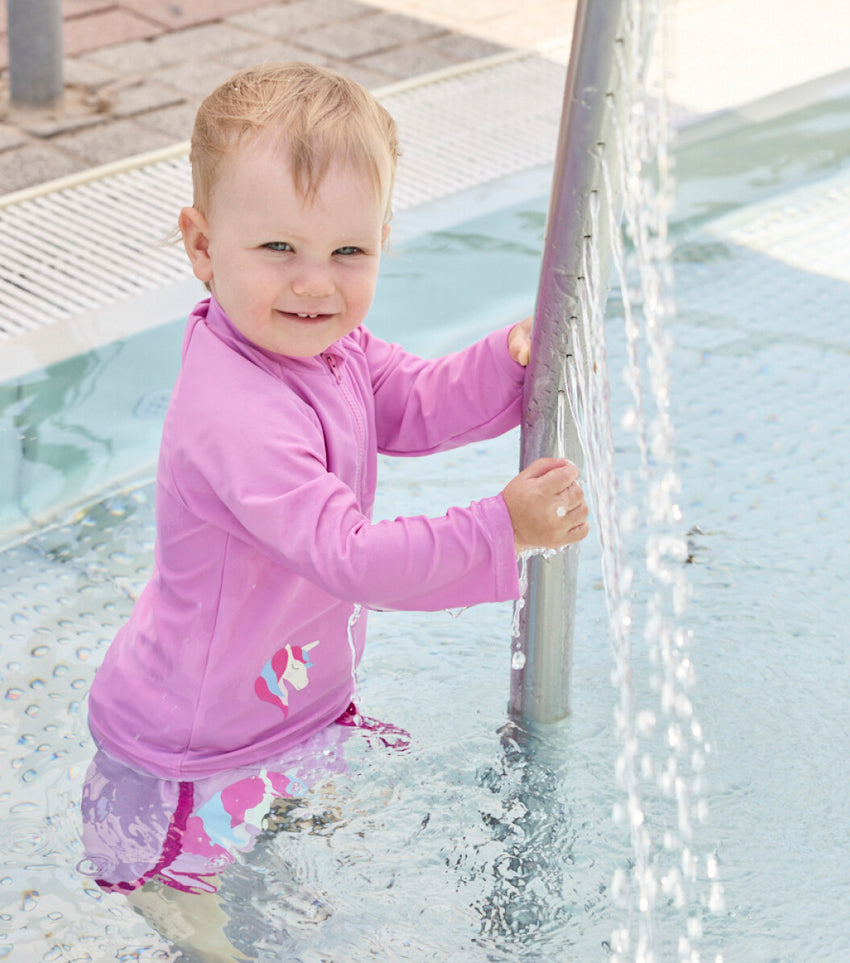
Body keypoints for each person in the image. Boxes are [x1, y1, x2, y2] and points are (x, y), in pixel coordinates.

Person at [80, 61, 589, 921]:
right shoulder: (237, 414)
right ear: (202, 246)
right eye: (278, 248)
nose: (315, 283)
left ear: (382, 239)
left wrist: (504, 364)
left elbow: (412, 399)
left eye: (348, 251)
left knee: (285, 855)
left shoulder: (326, 348)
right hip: (189, 746)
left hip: (281, 700)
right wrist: (502, 529)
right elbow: (349, 557)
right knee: (187, 906)